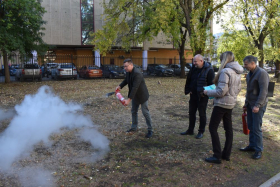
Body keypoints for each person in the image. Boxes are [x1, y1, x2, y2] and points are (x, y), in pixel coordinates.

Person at [203, 51, 243, 164]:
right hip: (230, 104)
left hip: (222, 104)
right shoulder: (237, 71)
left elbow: (221, 92)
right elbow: (238, 89)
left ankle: (217, 155)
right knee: (228, 129)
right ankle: (226, 154)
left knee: (212, 128)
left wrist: (207, 92)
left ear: (223, 60)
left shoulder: (225, 71)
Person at [240, 55, 269, 159]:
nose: (245, 66)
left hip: (258, 105)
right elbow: (249, 91)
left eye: (246, 64)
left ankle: (258, 150)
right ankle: (252, 145)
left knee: (256, 128)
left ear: (253, 63)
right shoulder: (249, 74)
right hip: (250, 104)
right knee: (251, 126)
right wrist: (246, 103)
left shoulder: (262, 73)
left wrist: (257, 105)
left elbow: (264, 91)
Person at [116, 59, 153, 138]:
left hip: (142, 96)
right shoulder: (129, 72)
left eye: (126, 66)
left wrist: (128, 100)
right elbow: (126, 80)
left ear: (131, 65)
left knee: (145, 112)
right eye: (124, 67)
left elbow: (135, 88)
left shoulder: (137, 74)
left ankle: (150, 130)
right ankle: (134, 128)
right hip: (135, 96)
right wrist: (120, 86)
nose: (125, 68)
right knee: (134, 111)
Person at [182, 54, 215, 139]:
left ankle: (201, 131)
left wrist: (205, 93)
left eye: (195, 61)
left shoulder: (209, 70)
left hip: (202, 96)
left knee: (202, 114)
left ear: (201, 61)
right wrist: (188, 90)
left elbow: (212, 85)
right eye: (193, 61)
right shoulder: (193, 69)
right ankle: (190, 130)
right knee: (191, 113)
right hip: (193, 95)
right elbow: (189, 80)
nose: (194, 63)